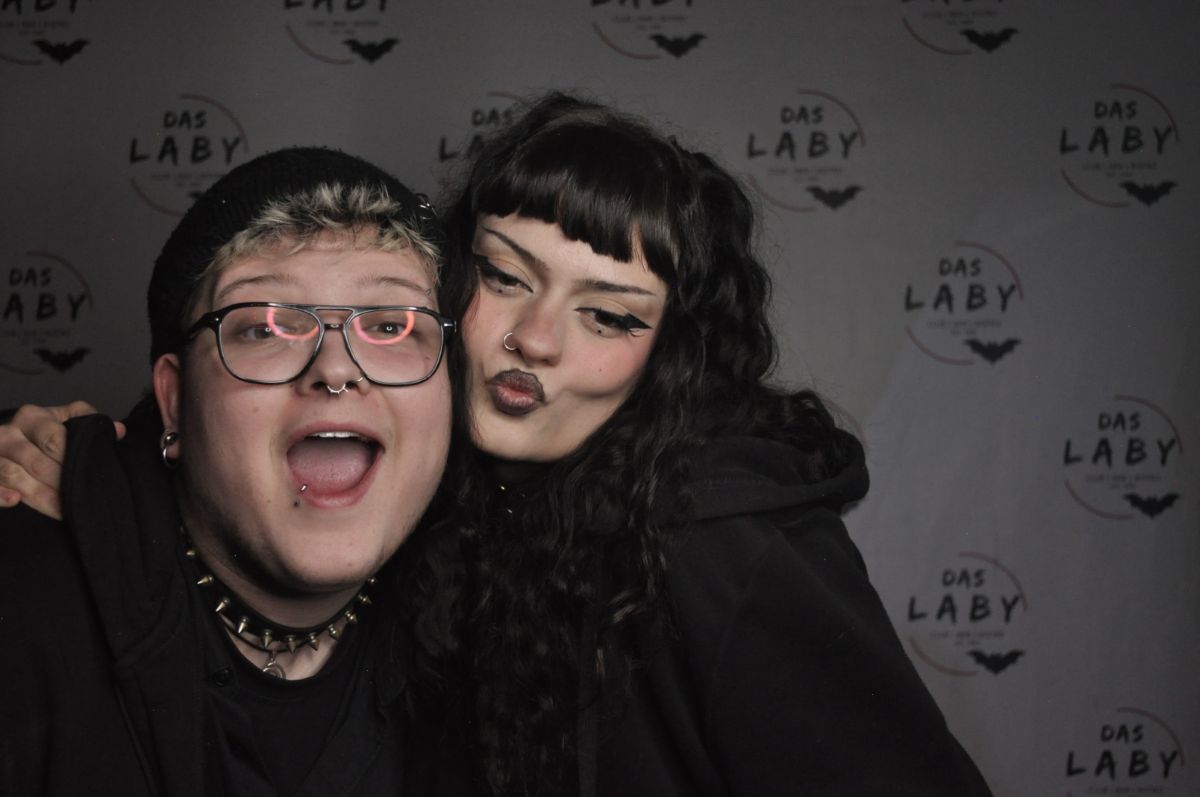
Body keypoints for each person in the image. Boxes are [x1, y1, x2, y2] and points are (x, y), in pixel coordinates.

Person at [1, 93, 993, 796]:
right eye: (508, 278)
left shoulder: (722, 549)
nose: (536, 340)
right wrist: (96, 468)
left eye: (609, 315)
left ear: (665, 361)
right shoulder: (446, 520)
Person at [0, 146, 465, 795]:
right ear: (174, 401)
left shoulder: (495, 624)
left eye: (390, 325)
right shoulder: (26, 606)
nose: (335, 368)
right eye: (266, 328)